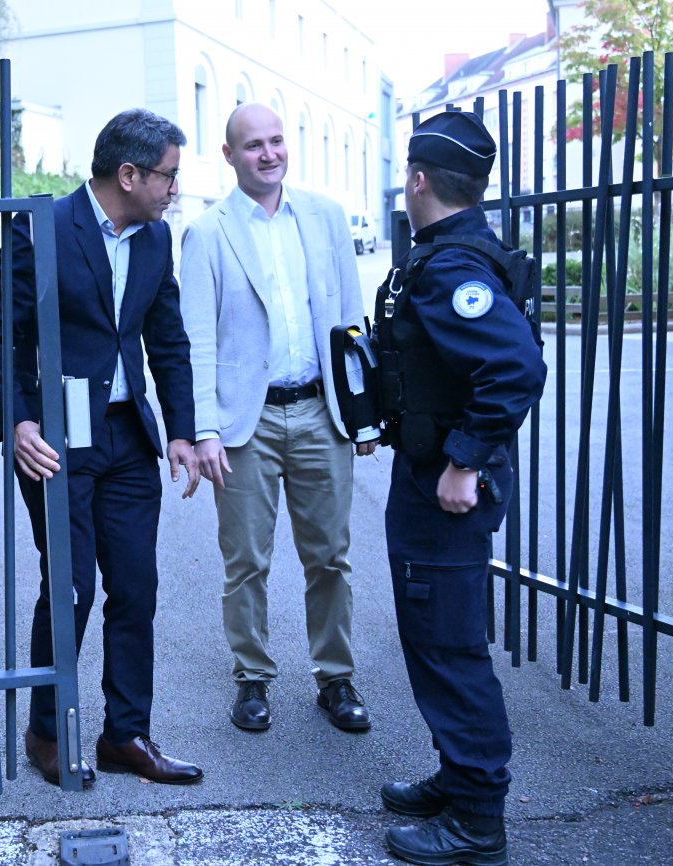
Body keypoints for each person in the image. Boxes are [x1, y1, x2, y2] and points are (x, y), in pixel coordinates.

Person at [0, 108, 204, 788]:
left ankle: (125, 734)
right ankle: (47, 732)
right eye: (168, 176)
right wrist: (18, 422)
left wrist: (181, 430)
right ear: (129, 175)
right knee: (71, 588)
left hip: (128, 438)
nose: (175, 190)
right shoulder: (42, 228)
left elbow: (168, 338)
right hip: (58, 441)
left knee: (135, 587)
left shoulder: (156, 239)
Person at [373, 110, 547, 866]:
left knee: (448, 646)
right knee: (434, 637)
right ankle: (458, 776)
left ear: (419, 180)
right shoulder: (453, 252)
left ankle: (477, 818)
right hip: (429, 473)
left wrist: (464, 460)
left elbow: (515, 367)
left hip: (445, 488)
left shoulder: (451, 267)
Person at [179, 102, 375, 735]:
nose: (269, 154)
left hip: (321, 411)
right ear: (229, 155)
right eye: (253, 145)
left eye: (276, 141)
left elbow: (350, 323)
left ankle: (336, 677)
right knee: (246, 562)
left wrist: (362, 413)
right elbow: (196, 340)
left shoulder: (325, 218)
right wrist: (205, 429)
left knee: (331, 557)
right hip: (247, 424)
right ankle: (252, 677)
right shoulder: (207, 233)